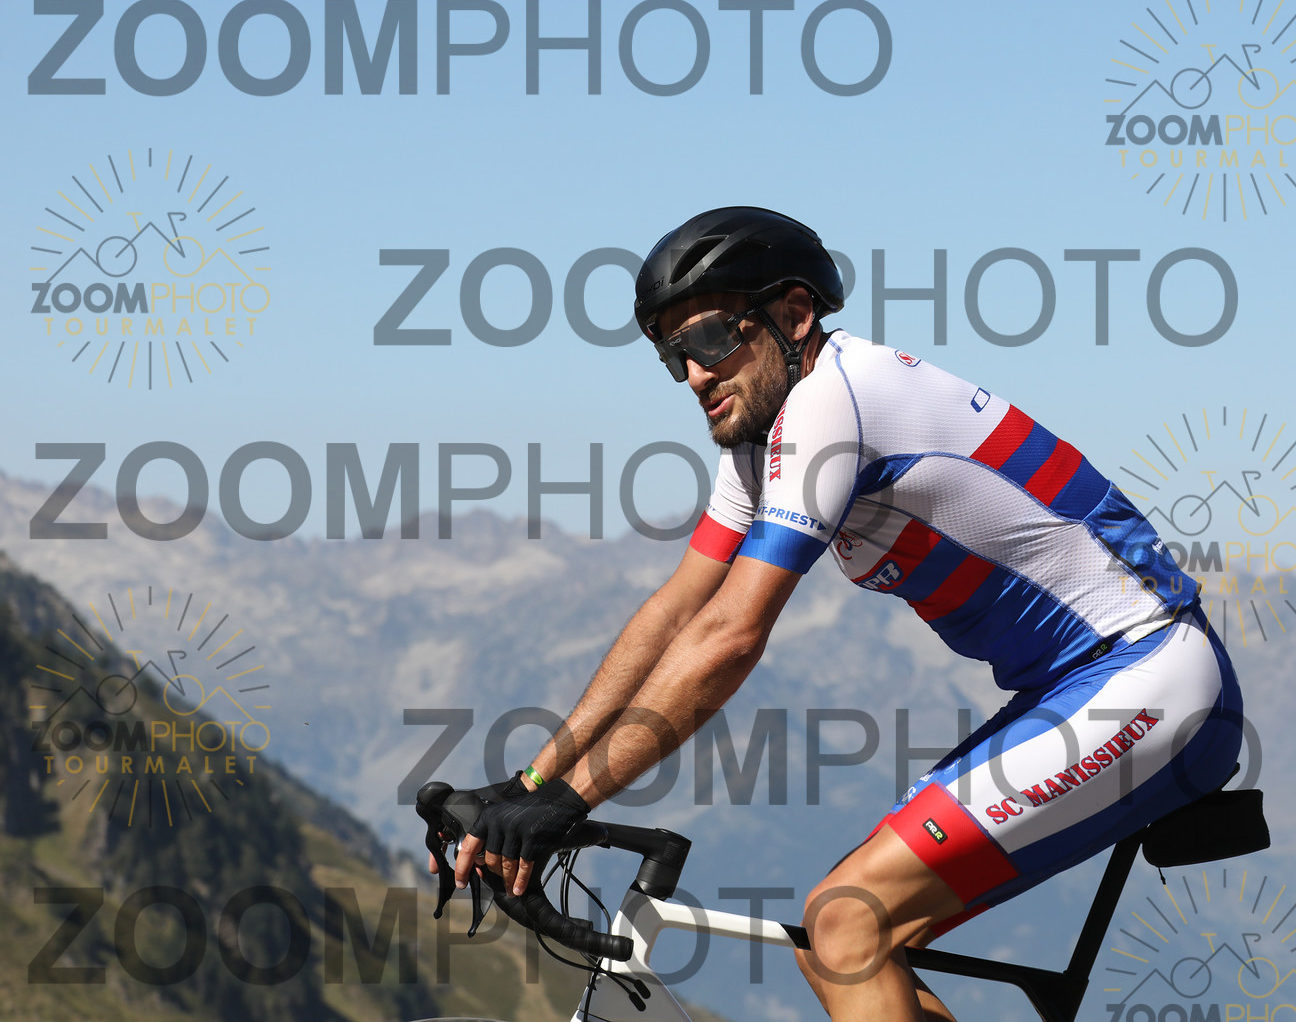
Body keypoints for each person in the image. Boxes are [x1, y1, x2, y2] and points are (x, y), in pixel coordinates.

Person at [445, 206, 1244, 1021]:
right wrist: (534, 780)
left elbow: (730, 635)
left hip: (1150, 672)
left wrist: (573, 799)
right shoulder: (760, 439)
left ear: (795, 315)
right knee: (832, 942)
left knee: (848, 924)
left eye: (711, 339)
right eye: (671, 354)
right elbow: (679, 609)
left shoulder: (836, 402)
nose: (693, 375)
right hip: (1076, 688)